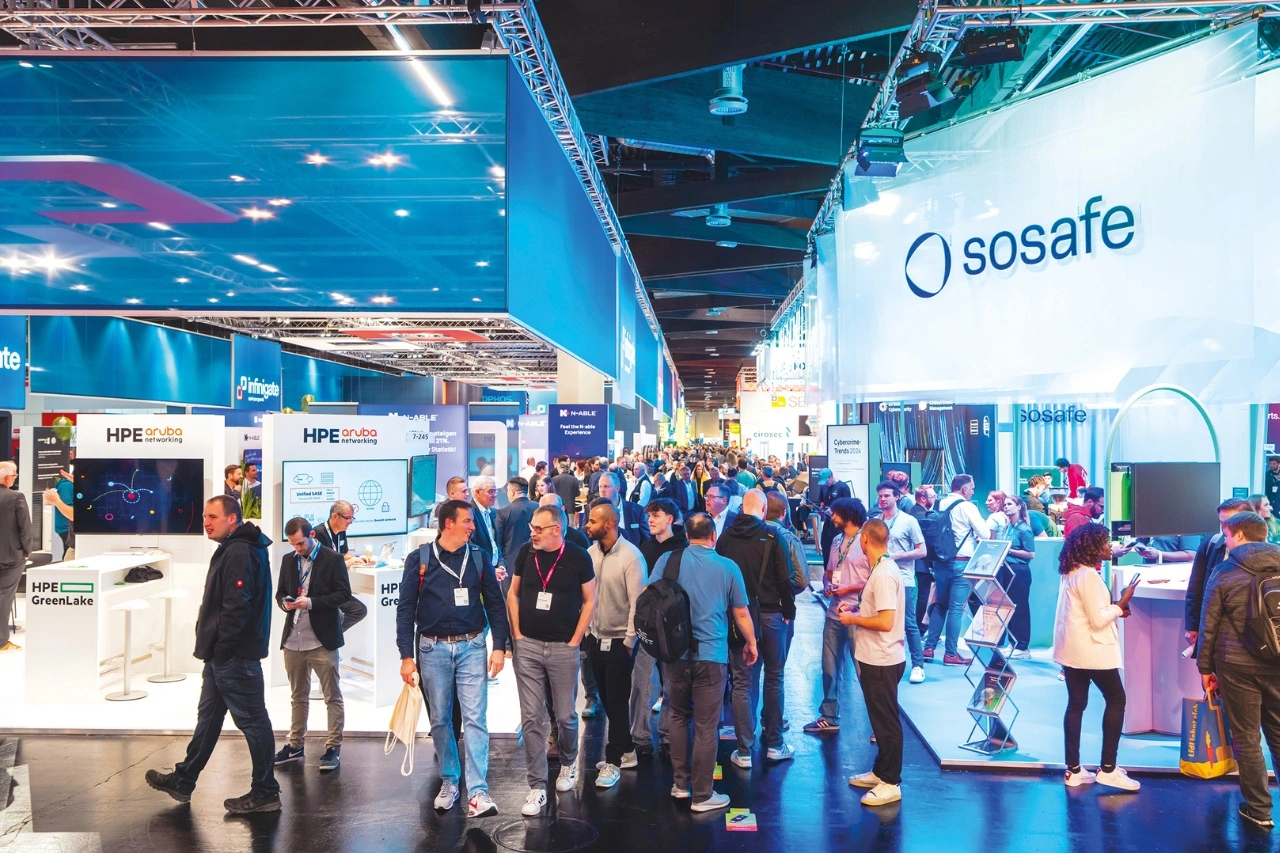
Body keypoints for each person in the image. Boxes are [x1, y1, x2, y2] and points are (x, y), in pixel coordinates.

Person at [146, 496, 280, 813]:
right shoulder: (238, 547)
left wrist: (223, 648)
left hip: (234, 656)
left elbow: (237, 606)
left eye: (213, 517)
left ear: (232, 519)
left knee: (253, 722)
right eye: (205, 516)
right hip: (225, 655)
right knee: (208, 719)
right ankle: (183, 780)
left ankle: (265, 792)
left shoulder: (239, 551)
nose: (205, 522)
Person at [396, 499, 508, 817]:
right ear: (449, 524)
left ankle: (479, 791)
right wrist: (406, 656)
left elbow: (495, 604)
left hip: (472, 645)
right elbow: (405, 610)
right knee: (440, 719)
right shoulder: (419, 559)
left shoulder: (479, 557)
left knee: (475, 718)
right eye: (467, 521)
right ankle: (449, 780)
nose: (472, 526)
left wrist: (499, 646)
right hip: (432, 649)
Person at [658, 513, 757, 812]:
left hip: (675, 655)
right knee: (706, 725)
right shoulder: (727, 567)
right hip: (712, 656)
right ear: (713, 536)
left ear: (687, 535)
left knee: (678, 716)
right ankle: (702, 795)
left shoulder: (667, 561)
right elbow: (741, 613)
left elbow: (649, 598)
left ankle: (680, 785)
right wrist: (751, 643)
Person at [507, 504, 596, 816]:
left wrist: (575, 640)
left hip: (563, 647)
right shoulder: (525, 553)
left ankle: (569, 763)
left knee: (565, 715)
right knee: (531, 717)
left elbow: (590, 600)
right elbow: (513, 593)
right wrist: (517, 635)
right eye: (532, 527)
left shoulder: (578, 556)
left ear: (557, 530)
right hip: (528, 646)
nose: (533, 533)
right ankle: (536, 786)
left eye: (538, 528)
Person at [1197, 511, 1280, 830]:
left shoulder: (1225, 570)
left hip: (1236, 666)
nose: (1226, 541)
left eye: (1228, 535)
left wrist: (1205, 668)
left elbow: (1209, 624)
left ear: (1240, 536)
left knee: (1246, 738)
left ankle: (1259, 810)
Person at [1053, 522, 1140, 792]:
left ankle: (1074, 770)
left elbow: (1087, 611)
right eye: (1104, 542)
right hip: (1091, 649)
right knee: (1116, 699)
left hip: (1073, 649)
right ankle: (1109, 769)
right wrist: (1122, 603)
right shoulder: (1088, 575)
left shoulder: (1071, 571)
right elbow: (1098, 619)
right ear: (1092, 547)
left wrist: (1115, 608)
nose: (1109, 547)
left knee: (1076, 704)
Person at [717, 489, 797, 767]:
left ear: (742, 508)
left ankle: (744, 751)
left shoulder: (726, 537)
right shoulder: (773, 536)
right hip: (772, 615)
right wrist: (789, 612)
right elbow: (786, 579)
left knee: (742, 681)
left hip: (738, 618)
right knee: (774, 677)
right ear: (764, 510)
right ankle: (775, 744)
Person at [273, 517, 352, 773]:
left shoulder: (333, 559)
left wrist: (311, 603)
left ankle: (333, 748)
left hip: (322, 640)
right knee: (298, 696)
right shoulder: (289, 560)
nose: (297, 549)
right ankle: (295, 745)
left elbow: (343, 595)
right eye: (293, 544)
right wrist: (285, 603)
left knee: (332, 696)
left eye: (300, 543)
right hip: (293, 639)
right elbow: (280, 593)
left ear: (312, 536)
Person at [839, 519, 907, 807]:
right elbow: (879, 609)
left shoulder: (884, 574)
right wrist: (858, 607)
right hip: (876, 657)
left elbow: (886, 621)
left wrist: (853, 619)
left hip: (882, 659)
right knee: (880, 720)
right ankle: (881, 772)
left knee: (886, 722)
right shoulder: (882, 569)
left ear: (864, 540)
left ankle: (891, 782)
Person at [583, 501, 646, 789]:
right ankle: (627, 750)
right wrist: (587, 632)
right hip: (595, 638)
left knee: (618, 702)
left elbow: (637, 603)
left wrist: (630, 641)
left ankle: (613, 760)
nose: (587, 525)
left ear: (609, 524)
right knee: (608, 700)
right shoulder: (590, 554)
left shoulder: (632, 557)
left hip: (621, 641)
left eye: (593, 521)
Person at [805, 497, 869, 733]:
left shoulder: (866, 541)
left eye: (836, 513)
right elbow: (830, 572)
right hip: (834, 612)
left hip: (857, 614)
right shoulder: (835, 540)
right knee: (829, 666)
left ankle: (879, 722)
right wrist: (828, 584)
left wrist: (848, 588)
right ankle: (829, 715)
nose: (831, 517)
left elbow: (875, 579)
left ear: (848, 515)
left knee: (863, 669)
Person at [631, 497, 688, 758]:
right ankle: (640, 737)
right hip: (648, 627)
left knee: (672, 686)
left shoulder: (684, 548)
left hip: (674, 629)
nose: (650, 520)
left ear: (670, 519)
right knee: (641, 683)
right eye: (649, 516)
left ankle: (667, 736)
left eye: (656, 515)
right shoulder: (645, 547)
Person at [923, 475, 991, 666]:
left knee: (940, 605)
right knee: (956, 608)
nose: (973, 491)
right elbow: (985, 533)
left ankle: (929, 648)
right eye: (972, 488)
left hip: (939, 562)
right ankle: (950, 654)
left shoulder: (938, 504)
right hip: (961, 562)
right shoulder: (967, 507)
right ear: (964, 489)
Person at [1183, 498, 1252, 651]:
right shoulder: (1211, 544)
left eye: (1230, 523)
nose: (1225, 528)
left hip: (1249, 630)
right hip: (1213, 627)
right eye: (1222, 523)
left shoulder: (1262, 550)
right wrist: (1192, 625)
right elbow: (1195, 587)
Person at [877, 482, 926, 684]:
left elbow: (922, 551)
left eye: (886, 495)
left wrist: (897, 556)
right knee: (883, 621)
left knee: (908, 623)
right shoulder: (876, 521)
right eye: (880, 496)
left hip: (903, 578)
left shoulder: (908, 521)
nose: (882, 499)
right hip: (880, 578)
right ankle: (886, 663)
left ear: (897, 497)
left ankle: (918, 666)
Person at [0, 462, 32, 652]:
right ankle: (2, 642)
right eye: (14, 476)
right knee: (4, 598)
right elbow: (25, 527)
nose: (14, 479)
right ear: (7, 478)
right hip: (11, 557)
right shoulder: (15, 497)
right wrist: (27, 552)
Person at [999, 496, 1036, 658]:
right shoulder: (1009, 527)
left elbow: (1031, 554)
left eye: (1009, 504)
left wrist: (1009, 550)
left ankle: (1022, 646)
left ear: (1019, 507)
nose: (1006, 507)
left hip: (1019, 571)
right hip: (1007, 569)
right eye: (1005, 504)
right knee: (1010, 607)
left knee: (1020, 608)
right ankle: (1013, 642)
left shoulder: (1024, 529)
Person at [495, 477, 537, 593]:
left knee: (510, 600)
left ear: (512, 492)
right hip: (536, 564)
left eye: (508, 491)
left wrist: (501, 563)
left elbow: (498, 540)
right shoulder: (539, 508)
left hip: (510, 566)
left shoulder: (503, 512)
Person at [908, 485, 938, 628]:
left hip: (917, 562)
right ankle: (921, 628)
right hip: (923, 562)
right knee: (925, 596)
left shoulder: (912, 511)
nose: (936, 499)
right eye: (933, 496)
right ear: (923, 499)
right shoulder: (922, 516)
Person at [597, 472, 649, 549]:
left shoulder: (636, 510)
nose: (602, 490)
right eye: (600, 486)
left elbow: (646, 540)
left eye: (606, 486)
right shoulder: (591, 509)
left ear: (617, 488)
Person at [315, 500, 373, 569]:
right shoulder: (319, 534)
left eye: (351, 518)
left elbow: (343, 554)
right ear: (335, 516)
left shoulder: (341, 531)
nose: (350, 522)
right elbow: (323, 566)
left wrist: (357, 559)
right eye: (347, 518)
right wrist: (349, 562)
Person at [814, 469, 853, 568]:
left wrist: (834, 511)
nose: (825, 484)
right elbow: (821, 503)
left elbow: (849, 507)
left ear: (831, 476)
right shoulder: (823, 487)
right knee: (826, 547)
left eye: (826, 481)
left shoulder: (843, 487)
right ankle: (827, 573)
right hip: (828, 524)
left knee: (838, 550)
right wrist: (820, 509)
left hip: (840, 526)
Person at [42, 470, 75, 560]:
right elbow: (70, 512)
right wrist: (56, 501)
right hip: (66, 529)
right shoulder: (67, 486)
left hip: (70, 530)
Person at [470, 476, 501, 567]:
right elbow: (471, 546)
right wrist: (489, 570)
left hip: (495, 568)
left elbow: (495, 543)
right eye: (491, 491)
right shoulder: (469, 513)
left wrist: (501, 564)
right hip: (480, 569)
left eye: (495, 491)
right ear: (478, 492)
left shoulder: (493, 512)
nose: (494, 495)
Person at [552, 461, 583, 525]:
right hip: (570, 508)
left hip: (558, 509)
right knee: (570, 528)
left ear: (560, 468)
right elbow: (577, 493)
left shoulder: (554, 479)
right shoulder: (574, 479)